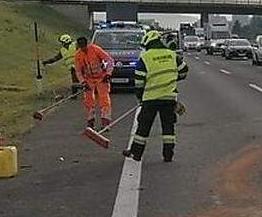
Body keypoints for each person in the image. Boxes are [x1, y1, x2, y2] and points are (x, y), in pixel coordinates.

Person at [124, 30, 188, 162]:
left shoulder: (145, 57)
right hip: (169, 98)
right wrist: (173, 79)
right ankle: (168, 155)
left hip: (150, 99)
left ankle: (136, 153)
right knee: (168, 128)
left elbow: (139, 81)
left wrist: (140, 97)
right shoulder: (172, 55)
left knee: (143, 126)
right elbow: (184, 71)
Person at [73, 35, 114, 129]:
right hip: (88, 79)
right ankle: (90, 121)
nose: (83, 49)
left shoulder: (96, 49)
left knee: (104, 100)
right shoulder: (78, 55)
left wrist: (108, 74)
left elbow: (109, 60)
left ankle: (105, 121)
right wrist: (83, 82)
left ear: (87, 44)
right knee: (88, 101)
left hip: (101, 77)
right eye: (81, 47)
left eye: (84, 46)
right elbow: (78, 70)